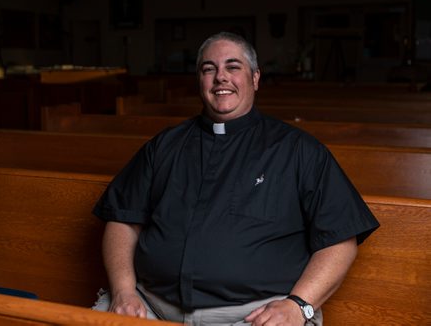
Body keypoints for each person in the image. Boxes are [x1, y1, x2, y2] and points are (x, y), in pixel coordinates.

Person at [91, 31, 379, 325]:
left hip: (255, 317)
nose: (220, 78)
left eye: (232, 67)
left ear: (255, 78)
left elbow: (341, 241)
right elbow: (122, 220)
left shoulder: (299, 150)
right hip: (150, 306)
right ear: (199, 81)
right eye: (209, 69)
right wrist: (124, 291)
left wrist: (299, 305)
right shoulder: (164, 146)